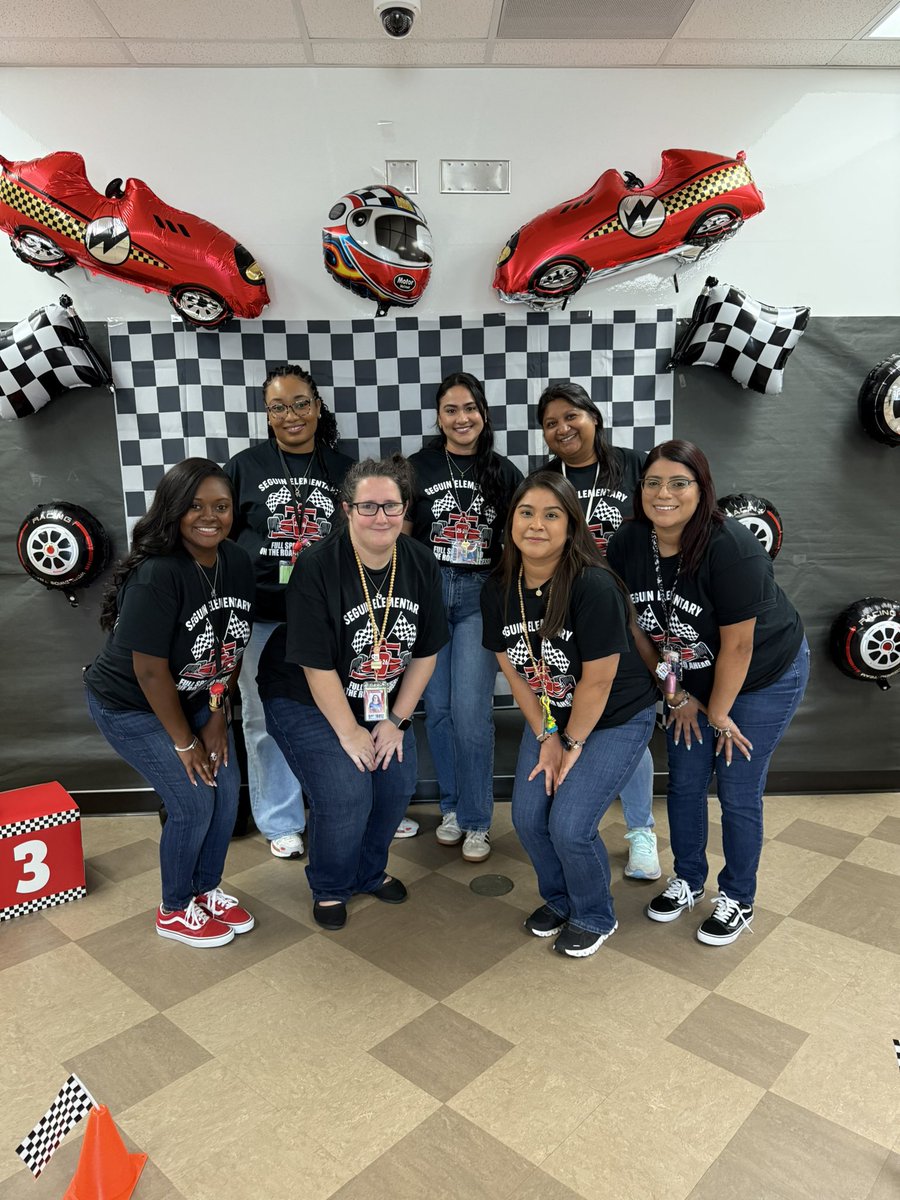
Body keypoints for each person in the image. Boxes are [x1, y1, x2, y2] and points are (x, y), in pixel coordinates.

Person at [606, 440, 809, 946]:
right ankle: (689, 880)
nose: (664, 494)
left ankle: (738, 896)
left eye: (679, 483)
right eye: (653, 482)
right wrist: (675, 696)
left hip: (762, 675)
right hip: (690, 676)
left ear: (702, 489)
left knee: (738, 790)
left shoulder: (732, 547)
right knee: (686, 782)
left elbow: (739, 646)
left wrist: (717, 714)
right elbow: (638, 628)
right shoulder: (629, 542)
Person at [258, 456, 448, 930]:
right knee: (346, 790)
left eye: (391, 506)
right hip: (303, 695)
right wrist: (349, 732)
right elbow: (315, 664)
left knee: (395, 782)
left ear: (405, 509)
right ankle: (331, 884)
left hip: (378, 698)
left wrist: (395, 722)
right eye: (368, 506)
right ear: (346, 510)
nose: (381, 517)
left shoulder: (420, 561)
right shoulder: (317, 564)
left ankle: (367, 872)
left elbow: (426, 652)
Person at [481, 473, 657, 958]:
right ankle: (561, 899)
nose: (536, 524)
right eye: (526, 513)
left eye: (551, 514)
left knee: (570, 825)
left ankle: (595, 913)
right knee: (527, 817)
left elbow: (598, 682)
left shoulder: (592, 584)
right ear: (511, 522)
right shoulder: (498, 589)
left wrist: (571, 744)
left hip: (616, 718)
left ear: (571, 526)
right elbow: (514, 672)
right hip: (554, 719)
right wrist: (547, 736)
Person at [84, 459, 256, 948]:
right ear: (174, 510)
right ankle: (175, 908)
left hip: (200, 696)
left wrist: (218, 714)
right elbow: (149, 672)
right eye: (195, 506)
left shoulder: (236, 561)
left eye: (221, 506)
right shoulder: (158, 573)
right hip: (131, 705)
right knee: (194, 800)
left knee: (226, 791)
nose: (210, 517)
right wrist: (185, 743)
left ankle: (205, 889)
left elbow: (232, 646)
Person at [224, 364, 361, 859]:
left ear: (318, 407)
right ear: (267, 414)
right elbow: (221, 539)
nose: (292, 415)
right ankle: (280, 820)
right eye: (279, 407)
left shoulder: (346, 469)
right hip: (262, 614)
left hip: (331, 616)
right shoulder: (243, 467)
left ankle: (351, 806)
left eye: (301, 403)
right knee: (262, 718)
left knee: (343, 710)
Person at [537, 381, 660, 882]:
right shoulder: (545, 479)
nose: (562, 428)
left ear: (593, 417)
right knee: (581, 710)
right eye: (551, 423)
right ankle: (572, 818)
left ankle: (641, 830)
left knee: (630, 716)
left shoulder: (634, 466)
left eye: (571, 416)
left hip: (633, 611)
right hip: (573, 613)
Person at [405, 372, 522, 862]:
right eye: (451, 410)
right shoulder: (418, 467)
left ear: (484, 414)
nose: (461, 418)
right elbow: (403, 536)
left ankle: (477, 819)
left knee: (472, 713)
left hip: (479, 596)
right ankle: (451, 807)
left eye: (470, 408)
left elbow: (519, 540)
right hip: (431, 594)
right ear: (439, 417)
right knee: (439, 709)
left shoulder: (504, 471)